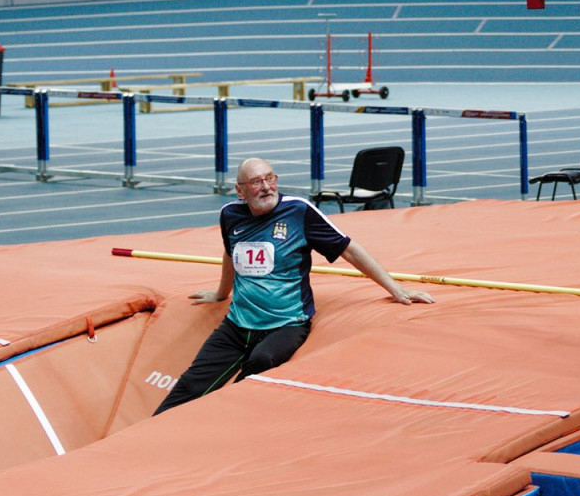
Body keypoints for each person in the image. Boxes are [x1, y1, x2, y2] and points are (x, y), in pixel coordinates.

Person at [153, 157, 434, 415]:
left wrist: (396, 290)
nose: (265, 187)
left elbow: (349, 249)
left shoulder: (299, 212)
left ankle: (223, 419)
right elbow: (230, 253)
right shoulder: (230, 215)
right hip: (238, 325)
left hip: (286, 323)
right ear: (240, 191)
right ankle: (147, 439)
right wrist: (220, 293)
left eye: (270, 178)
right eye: (256, 182)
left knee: (261, 361)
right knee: (190, 386)